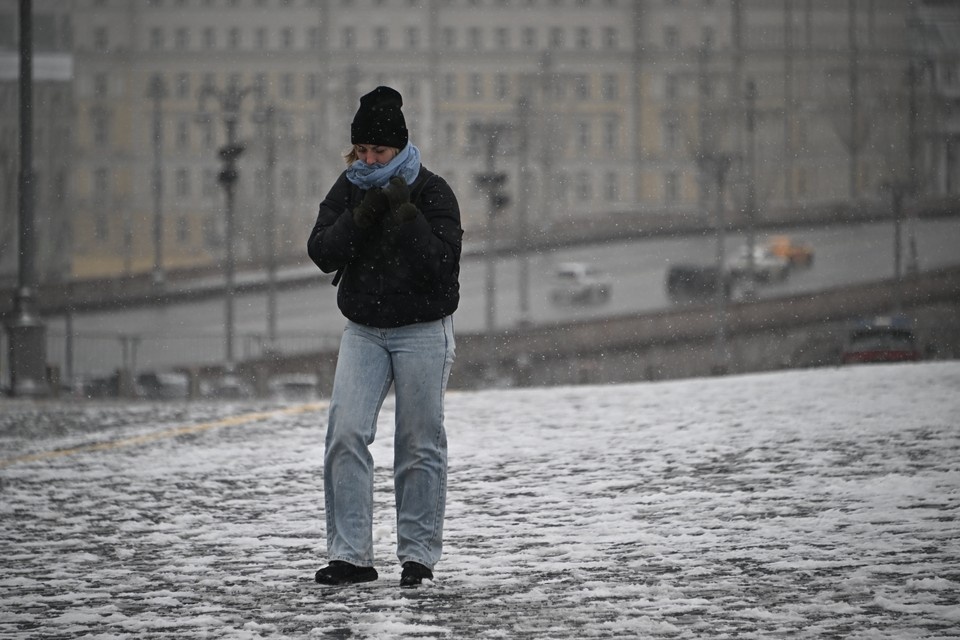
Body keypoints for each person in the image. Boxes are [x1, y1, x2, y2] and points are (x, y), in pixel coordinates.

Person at [307, 86, 462, 588]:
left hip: (423, 330)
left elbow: (443, 269)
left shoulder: (433, 192)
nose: (369, 160)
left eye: (379, 151)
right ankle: (350, 556)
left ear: (399, 147)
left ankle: (418, 558)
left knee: (418, 442)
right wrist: (361, 217)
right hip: (364, 331)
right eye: (362, 150)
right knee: (345, 433)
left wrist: (405, 217)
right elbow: (322, 251)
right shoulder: (350, 188)